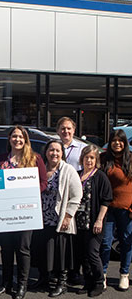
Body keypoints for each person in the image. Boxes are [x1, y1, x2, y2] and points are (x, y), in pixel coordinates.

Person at [0, 125, 47, 299]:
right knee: (6, 248)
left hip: (26, 211)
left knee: (23, 248)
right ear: (9, 139)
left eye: (21, 137)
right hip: (4, 211)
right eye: (14, 136)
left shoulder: (35, 158)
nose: (17, 140)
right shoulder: (1, 160)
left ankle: (22, 284)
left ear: (26, 140)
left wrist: (29, 194)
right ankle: (6, 282)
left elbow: (43, 182)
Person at [33, 140, 82, 297]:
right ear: (46, 152)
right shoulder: (40, 169)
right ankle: (44, 278)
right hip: (41, 219)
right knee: (42, 250)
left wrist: (68, 216)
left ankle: (62, 283)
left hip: (60, 219)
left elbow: (76, 196)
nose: (54, 153)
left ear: (62, 153)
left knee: (60, 253)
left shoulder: (68, 170)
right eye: (51, 150)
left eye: (57, 151)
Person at [75, 145, 112, 297]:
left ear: (96, 160)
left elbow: (106, 200)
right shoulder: (77, 175)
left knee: (92, 253)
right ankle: (88, 281)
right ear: (82, 158)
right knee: (83, 254)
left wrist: (99, 220)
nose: (89, 160)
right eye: (86, 157)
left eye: (92, 158)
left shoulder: (100, 176)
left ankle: (99, 282)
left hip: (94, 222)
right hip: (78, 222)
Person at [100, 129, 132, 291]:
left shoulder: (131, 159)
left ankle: (124, 274)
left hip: (127, 209)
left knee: (126, 242)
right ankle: (103, 274)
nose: (117, 143)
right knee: (105, 242)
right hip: (107, 208)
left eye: (120, 140)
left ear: (125, 143)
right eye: (114, 140)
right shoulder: (104, 159)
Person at [56, 117, 87, 285]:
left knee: (75, 238)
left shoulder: (82, 148)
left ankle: (74, 272)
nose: (65, 131)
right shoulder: (53, 146)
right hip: (58, 199)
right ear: (57, 130)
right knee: (61, 239)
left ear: (74, 130)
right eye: (62, 128)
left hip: (76, 198)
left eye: (68, 128)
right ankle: (60, 271)